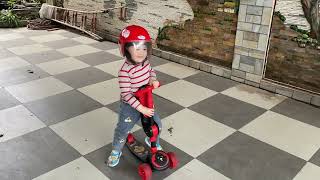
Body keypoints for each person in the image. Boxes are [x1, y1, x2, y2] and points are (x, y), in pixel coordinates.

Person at [107, 25, 163, 167]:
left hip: (147, 101)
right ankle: (116, 150)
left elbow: (151, 72)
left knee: (157, 125)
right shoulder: (124, 72)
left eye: (144, 48)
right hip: (130, 106)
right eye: (137, 48)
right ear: (126, 49)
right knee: (123, 130)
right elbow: (126, 95)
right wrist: (141, 109)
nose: (141, 52)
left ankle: (152, 141)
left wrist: (153, 80)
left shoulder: (146, 63)